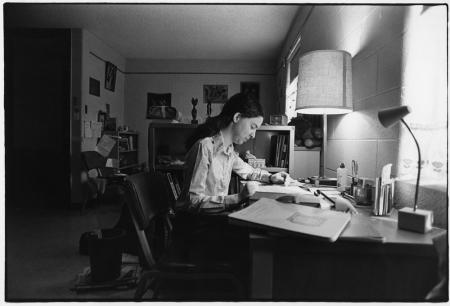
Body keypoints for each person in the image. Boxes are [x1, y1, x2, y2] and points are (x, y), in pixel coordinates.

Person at [178, 92, 291, 215]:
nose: (253, 135)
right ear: (237, 117)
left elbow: (249, 171)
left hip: (215, 218)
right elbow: (193, 202)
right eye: (252, 127)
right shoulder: (205, 147)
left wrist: (270, 177)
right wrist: (239, 198)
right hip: (199, 225)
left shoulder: (229, 150)